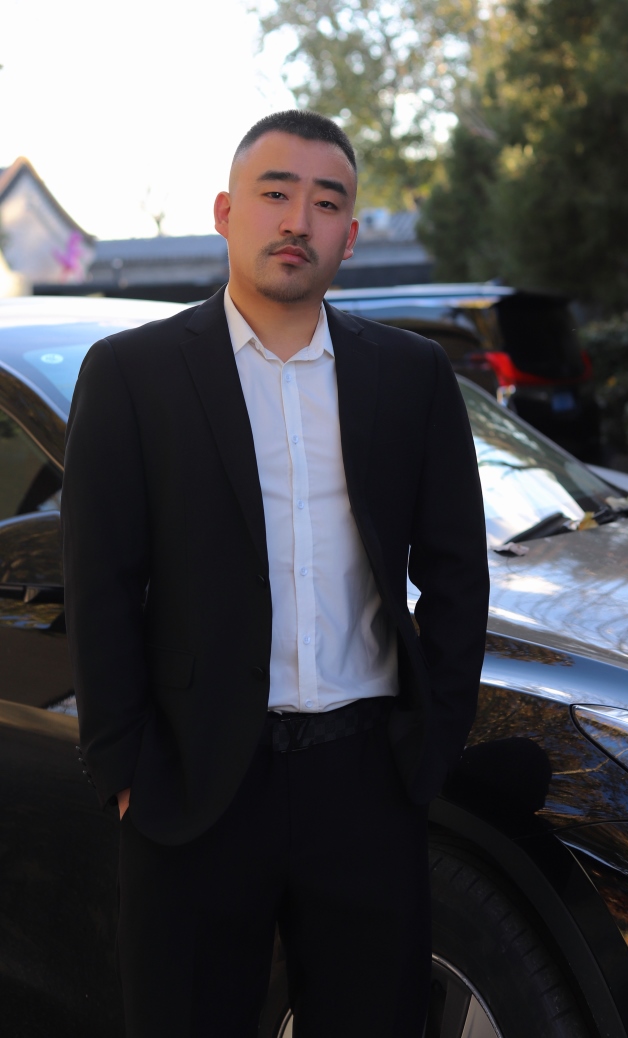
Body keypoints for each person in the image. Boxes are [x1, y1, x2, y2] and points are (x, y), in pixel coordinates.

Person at [62, 110, 489, 1038]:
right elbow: (100, 582)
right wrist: (124, 768)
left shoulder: (410, 375)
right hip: (193, 788)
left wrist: (427, 753)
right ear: (226, 212)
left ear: (351, 235)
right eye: (275, 193)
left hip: (364, 784)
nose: (299, 219)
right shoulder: (133, 373)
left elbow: (458, 571)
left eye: (326, 202)